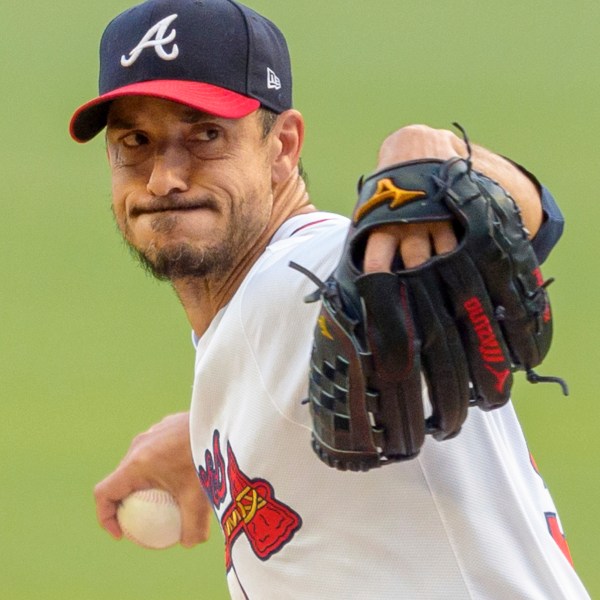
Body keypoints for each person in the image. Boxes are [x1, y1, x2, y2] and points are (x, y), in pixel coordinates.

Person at [70, 0, 590, 597]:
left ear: (283, 147)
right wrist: (210, 435)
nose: (164, 177)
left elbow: (507, 232)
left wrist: (439, 160)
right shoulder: (254, 323)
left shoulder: (304, 274)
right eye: (134, 140)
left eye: (207, 134)